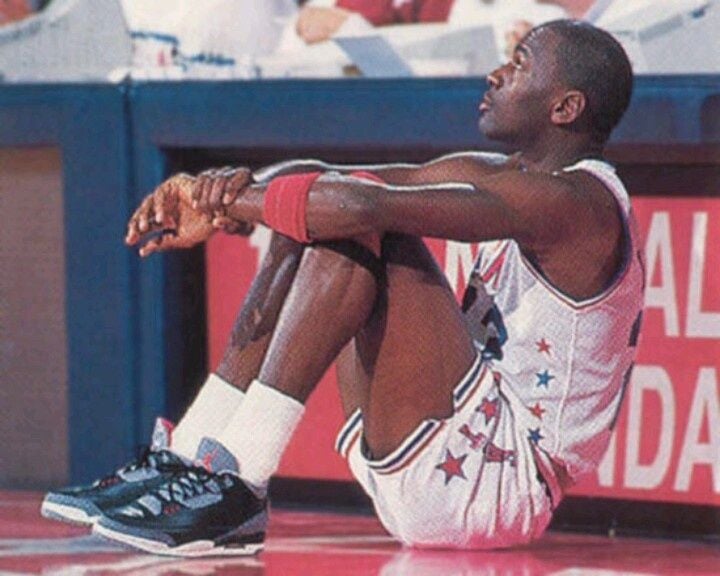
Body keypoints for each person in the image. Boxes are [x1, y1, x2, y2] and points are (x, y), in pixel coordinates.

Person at [42, 19, 644, 557]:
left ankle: (241, 481)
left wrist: (231, 204)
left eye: (519, 64)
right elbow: (328, 179)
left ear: (565, 107)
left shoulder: (580, 203)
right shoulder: (508, 175)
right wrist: (227, 194)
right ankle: (194, 452)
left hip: (497, 482)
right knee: (316, 206)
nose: (496, 74)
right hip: (455, 453)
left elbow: (360, 205)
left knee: (354, 219)